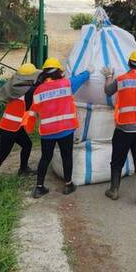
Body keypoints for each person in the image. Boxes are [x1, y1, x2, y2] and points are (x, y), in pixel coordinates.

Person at [102, 49, 136, 206]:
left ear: (128, 63)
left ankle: (114, 190)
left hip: (123, 128)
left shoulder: (121, 79)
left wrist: (108, 76)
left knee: (117, 159)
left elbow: (107, 91)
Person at [31, 57, 90, 198]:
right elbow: (81, 78)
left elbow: (36, 110)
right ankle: (68, 184)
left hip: (47, 132)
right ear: (58, 72)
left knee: (45, 158)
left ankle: (39, 187)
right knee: (66, 156)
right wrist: (89, 71)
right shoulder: (67, 84)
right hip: (65, 129)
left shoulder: (38, 91)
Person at [0, 63, 38, 189]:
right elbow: (35, 90)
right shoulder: (28, 91)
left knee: (27, 144)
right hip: (9, 129)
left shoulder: (14, 86)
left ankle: (23, 169)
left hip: (13, 126)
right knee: (1, 155)